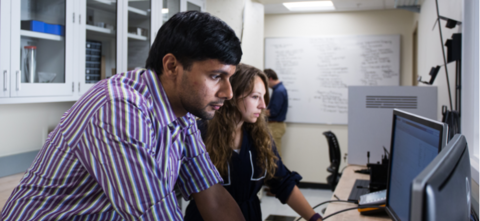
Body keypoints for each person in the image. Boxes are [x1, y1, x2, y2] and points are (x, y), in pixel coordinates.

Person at [1, 11, 246, 221]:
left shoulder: (183, 115)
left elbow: (210, 192)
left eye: (229, 78)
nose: (228, 92)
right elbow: (155, 214)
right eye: (216, 76)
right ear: (172, 66)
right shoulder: (119, 108)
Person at [184, 64, 323, 221]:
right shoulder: (198, 135)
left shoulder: (259, 137)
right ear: (232, 95)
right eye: (255, 97)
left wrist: (314, 218)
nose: (263, 105)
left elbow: (282, 182)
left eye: (263, 97)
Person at [264, 68, 288, 157]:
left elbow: (273, 112)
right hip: (276, 126)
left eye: (265, 81)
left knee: (275, 155)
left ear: (270, 78)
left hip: (275, 126)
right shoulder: (278, 89)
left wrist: (260, 112)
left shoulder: (279, 91)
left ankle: (279, 171)